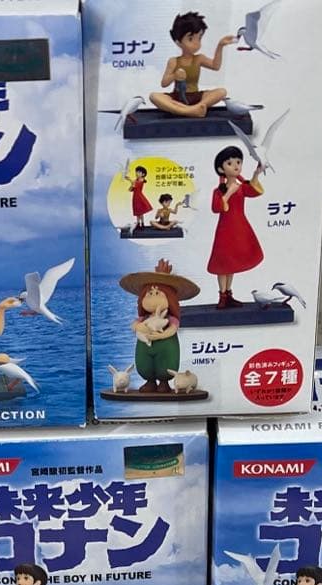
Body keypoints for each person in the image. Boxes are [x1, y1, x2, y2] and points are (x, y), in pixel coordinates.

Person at [118, 259, 200, 394]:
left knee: (166, 364)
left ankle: (163, 383)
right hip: (145, 347)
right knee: (144, 364)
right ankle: (150, 382)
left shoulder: (169, 319)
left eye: (158, 294)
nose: (153, 298)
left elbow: (173, 328)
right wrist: (139, 327)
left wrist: (161, 335)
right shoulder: (144, 319)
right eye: (149, 294)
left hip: (166, 348)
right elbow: (134, 325)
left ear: (170, 299)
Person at [208, 146, 264, 309]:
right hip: (225, 229)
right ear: (221, 169)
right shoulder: (219, 191)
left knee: (232, 262)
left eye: (238, 162)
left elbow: (253, 191)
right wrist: (228, 193)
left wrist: (256, 174)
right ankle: (222, 296)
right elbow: (216, 208)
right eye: (230, 163)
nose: (235, 166)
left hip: (240, 228)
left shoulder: (241, 187)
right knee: (223, 263)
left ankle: (228, 294)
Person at [149, 11, 236, 118]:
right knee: (154, 96)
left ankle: (189, 108)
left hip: (195, 96)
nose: (196, 43)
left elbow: (215, 66)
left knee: (221, 92)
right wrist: (174, 75)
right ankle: (191, 111)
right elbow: (164, 83)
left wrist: (220, 46)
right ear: (178, 41)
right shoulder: (173, 61)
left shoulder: (199, 59)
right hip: (177, 97)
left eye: (199, 38)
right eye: (190, 39)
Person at [124, 165, 153, 230]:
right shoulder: (135, 180)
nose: (137, 173)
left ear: (143, 174)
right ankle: (138, 223)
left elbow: (136, 185)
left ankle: (142, 224)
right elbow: (130, 189)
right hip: (135, 198)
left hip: (139, 197)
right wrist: (131, 183)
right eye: (136, 172)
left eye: (139, 172)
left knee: (141, 211)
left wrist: (130, 180)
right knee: (137, 211)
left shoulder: (141, 180)